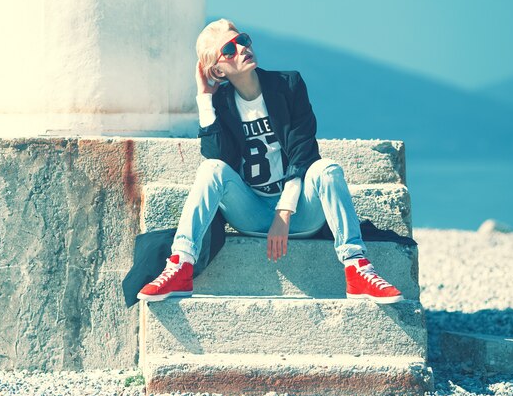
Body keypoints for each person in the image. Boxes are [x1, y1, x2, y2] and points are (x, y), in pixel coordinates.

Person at [137, 19, 403, 304]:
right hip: (249, 212)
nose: (241, 48)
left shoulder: (288, 85)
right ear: (217, 70)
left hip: (300, 212)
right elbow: (219, 160)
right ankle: (180, 266)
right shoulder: (222, 104)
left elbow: (304, 152)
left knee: (327, 169)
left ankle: (357, 268)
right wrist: (205, 99)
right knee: (210, 168)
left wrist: (284, 211)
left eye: (243, 40)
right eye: (229, 49)